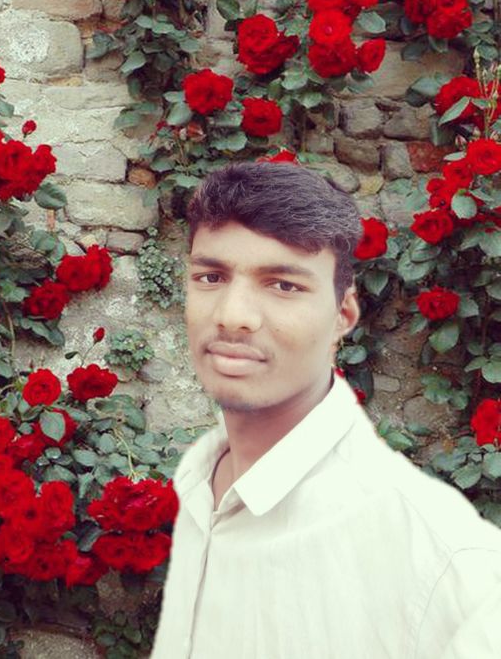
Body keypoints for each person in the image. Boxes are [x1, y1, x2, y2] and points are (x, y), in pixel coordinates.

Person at [150, 160, 501, 659]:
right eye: (211, 276)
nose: (232, 316)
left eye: (284, 285)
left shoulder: (445, 563)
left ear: (343, 315)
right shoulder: (199, 476)